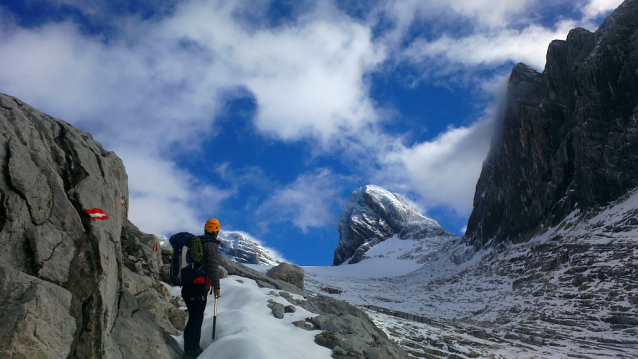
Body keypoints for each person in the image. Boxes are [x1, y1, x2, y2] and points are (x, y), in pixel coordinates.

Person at [182, 218, 222, 359]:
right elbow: (212, 267)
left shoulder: (197, 242)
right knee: (196, 319)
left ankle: (192, 349)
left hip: (188, 285)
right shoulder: (211, 245)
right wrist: (216, 287)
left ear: (205, 228)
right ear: (216, 231)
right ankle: (190, 352)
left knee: (194, 318)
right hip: (199, 286)